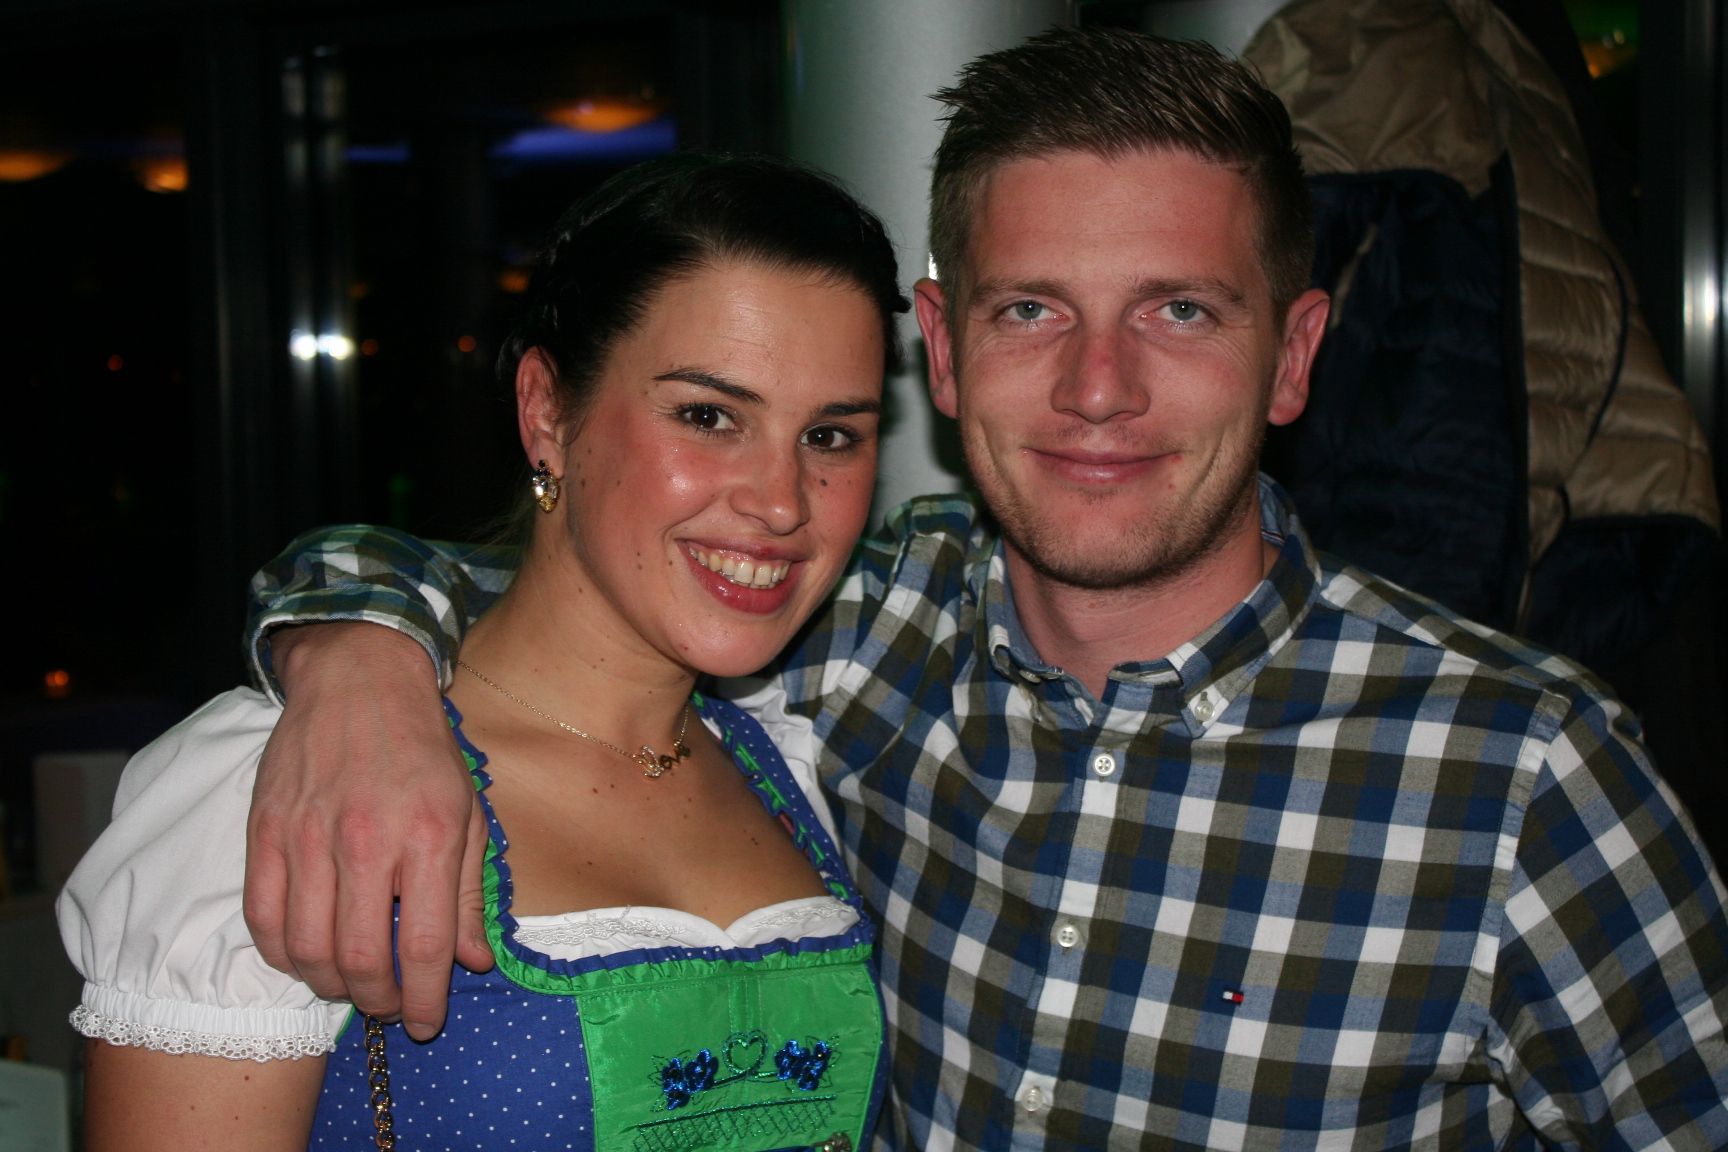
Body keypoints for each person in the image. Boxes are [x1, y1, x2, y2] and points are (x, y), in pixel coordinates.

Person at [238, 28, 1728, 1151]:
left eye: (1179, 311)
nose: (1098, 388)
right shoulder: (857, 633)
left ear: (1293, 357)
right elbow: (554, 577)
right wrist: (357, 660)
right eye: (1032, 311)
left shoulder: (1522, 774)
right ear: (943, 353)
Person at [58, 151, 909, 1151]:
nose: (780, 502)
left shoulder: (793, 764)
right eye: (708, 416)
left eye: (832, 437)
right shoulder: (301, 779)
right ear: (547, 410)